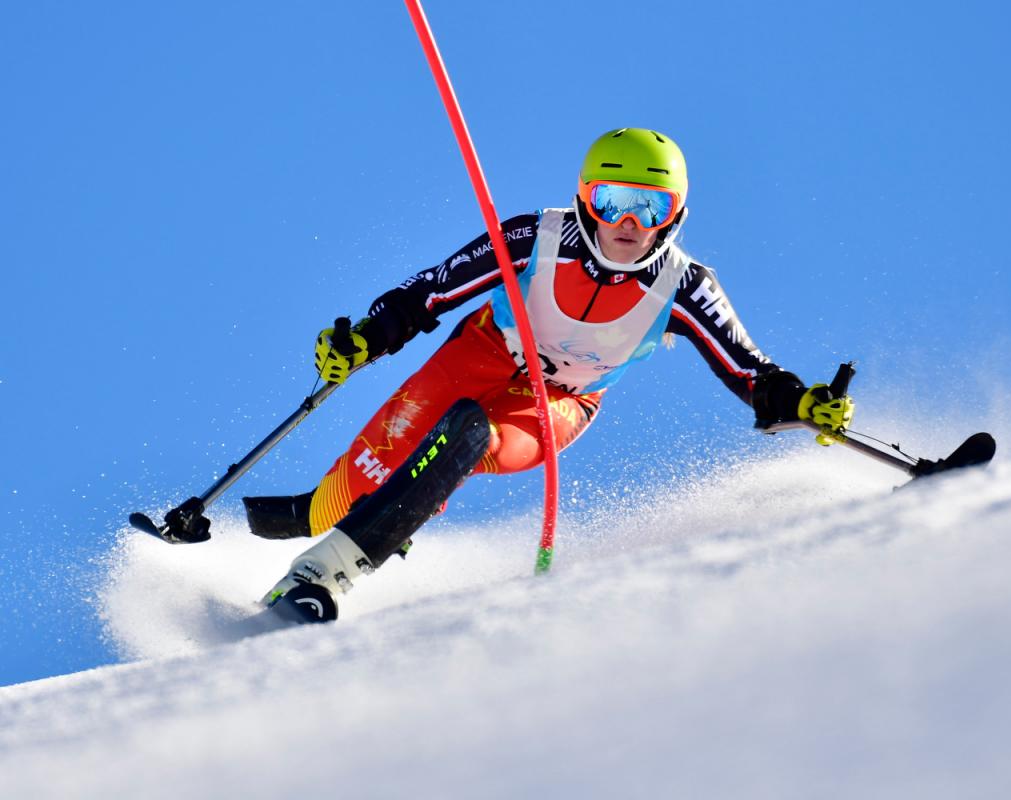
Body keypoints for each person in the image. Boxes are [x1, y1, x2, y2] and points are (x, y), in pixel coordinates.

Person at [250, 128, 855, 617]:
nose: (628, 222)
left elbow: (749, 370)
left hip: (563, 401)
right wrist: (363, 339)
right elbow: (431, 292)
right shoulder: (533, 238)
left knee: (469, 434)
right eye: (611, 201)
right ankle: (283, 520)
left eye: (651, 206)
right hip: (480, 353)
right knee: (351, 491)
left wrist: (800, 402)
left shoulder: (684, 285)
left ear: (675, 216)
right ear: (585, 197)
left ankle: (320, 580)